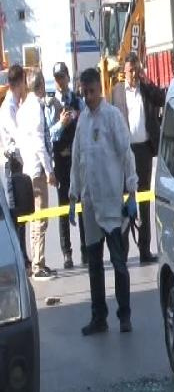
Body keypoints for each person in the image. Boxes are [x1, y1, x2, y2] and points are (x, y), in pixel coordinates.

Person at [69, 68, 137, 335]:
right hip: (90, 204)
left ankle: (125, 316)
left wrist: (132, 192)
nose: (88, 97)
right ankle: (99, 317)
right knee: (94, 264)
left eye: (92, 91)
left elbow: (126, 155)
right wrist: (73, 196)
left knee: (119, 264)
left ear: (100, 89)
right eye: (84, 92)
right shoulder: (83, 122)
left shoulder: (112, 117)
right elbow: (76, 162)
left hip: (112, 204)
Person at [112, 52, 165, 264]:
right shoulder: (116, 92)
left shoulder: (145, 89)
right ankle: (123, 250)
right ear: (124, 72)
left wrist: (147, 81)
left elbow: (162, 98)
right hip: (124, 152)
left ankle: (145, 249)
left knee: (143, 199)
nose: (133, 74)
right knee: (126, 198)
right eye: (129, 70)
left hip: (143, 150)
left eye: (135, 70)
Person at [45, 62, 87, 269]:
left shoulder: (78, 100)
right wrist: (61, 124)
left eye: (62, 77)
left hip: (77, 159)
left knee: (81, 205)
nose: (60, 81)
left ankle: (86, 249)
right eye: (57, 78)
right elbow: (48, 133)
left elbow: (86, 124)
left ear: (68, 77)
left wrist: (76, 118)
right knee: (63, 207)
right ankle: (66, 252)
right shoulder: (50, 103)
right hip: (61, 160)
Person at [17, 69, 58, 281]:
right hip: (37, 170)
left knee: (35, 219)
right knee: (40, 219)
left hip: (27, 169)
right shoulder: (36, 108)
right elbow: (40, 143)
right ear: (40, 85)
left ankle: (38, 261)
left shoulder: (23, 109)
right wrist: (49, 170)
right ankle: (38, 264)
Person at [0, 64, 30, 271]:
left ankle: (23, 255)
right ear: (20, 82)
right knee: (16, 212)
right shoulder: (9, 107)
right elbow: (18, 137)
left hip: (16, 162)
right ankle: (20, 257)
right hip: (12, 164)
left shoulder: (14, 104)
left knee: (21, 212)